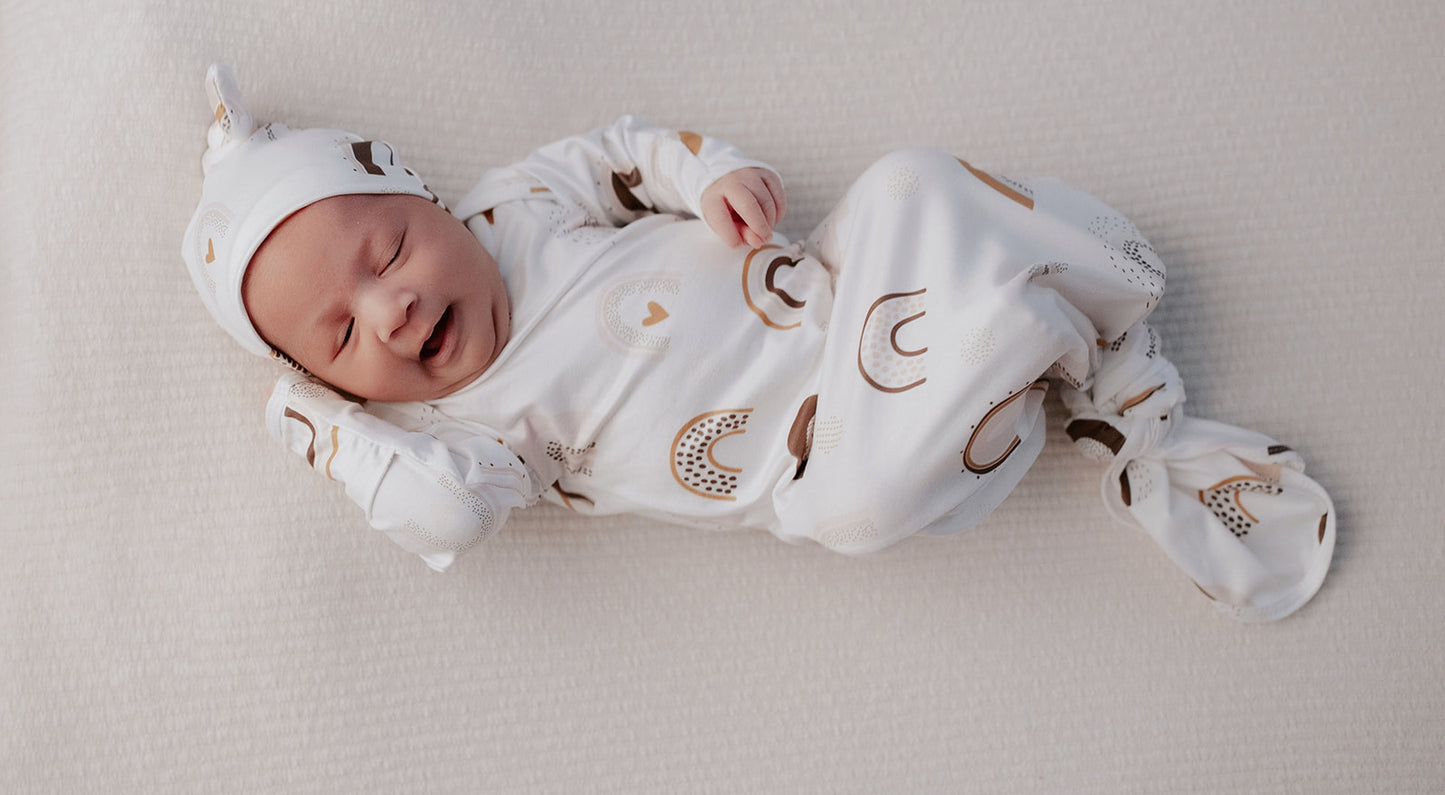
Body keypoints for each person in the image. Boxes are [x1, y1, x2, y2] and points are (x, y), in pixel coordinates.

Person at [183, 64, 1336, 621]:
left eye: (383, 254)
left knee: (904, 181)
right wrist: (322, 428)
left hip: (848, 294)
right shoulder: (458, 432)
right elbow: (434, 517)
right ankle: (1035, 349)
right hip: (822, 457)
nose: (387, 310)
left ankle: (1090, 326)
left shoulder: (513, 207)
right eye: (339, 338)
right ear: (341, 386)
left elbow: (623, 151)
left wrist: (711, 175)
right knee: (854, 514)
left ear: (425, 201)